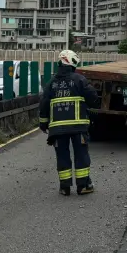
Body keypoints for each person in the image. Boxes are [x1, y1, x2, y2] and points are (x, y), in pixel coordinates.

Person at [39, 49, 99, 196]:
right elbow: (93, 98)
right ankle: (83, 186)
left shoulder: (51, 83)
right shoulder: (79, 80)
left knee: (62, 156)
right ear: (72, 63)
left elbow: (44, 104)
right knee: (81, 155)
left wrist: (43, 123)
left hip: (58, 129)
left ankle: (65, 187)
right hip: (78, 127)